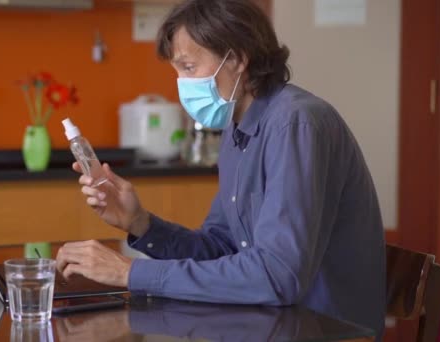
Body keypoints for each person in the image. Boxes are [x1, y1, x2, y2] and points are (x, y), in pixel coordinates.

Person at [56, 0, 386, 338]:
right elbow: (220, 248)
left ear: (238, 58)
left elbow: (278, 276)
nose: (182, 84)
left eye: (189, 67)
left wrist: (130, 273)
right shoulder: (237, 131)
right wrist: (140, 223)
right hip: (268, 323)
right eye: (177, 71)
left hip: (325, 330)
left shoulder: (295, 124)